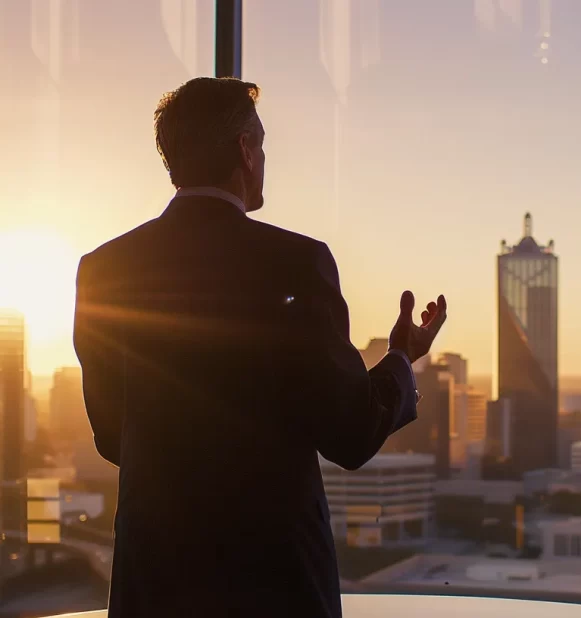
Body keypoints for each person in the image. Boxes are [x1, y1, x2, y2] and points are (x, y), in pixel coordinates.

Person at [72, 77, 446, 618]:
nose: (265, 157)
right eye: (262, 143)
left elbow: (113, 435)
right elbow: (350, 432)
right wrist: (401, 360)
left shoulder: (103, 269)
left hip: (155, 582)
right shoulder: (296, 262)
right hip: (276, 582)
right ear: (245, 152)